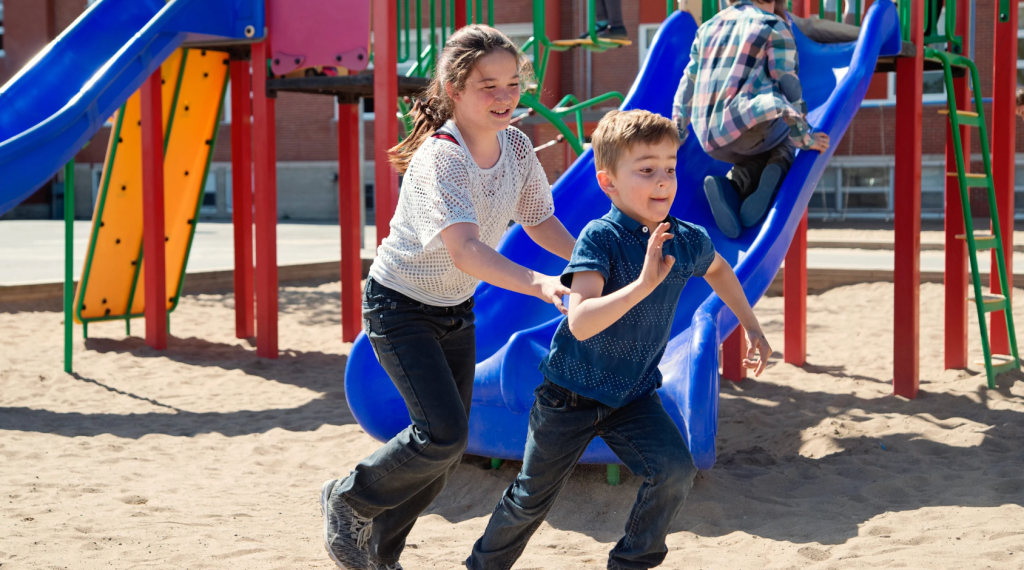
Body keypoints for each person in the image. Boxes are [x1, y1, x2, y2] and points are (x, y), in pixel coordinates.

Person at [465, 109, 773, 570]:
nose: (663, 180)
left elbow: (720, 270)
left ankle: (630, 563)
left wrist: (751, 326)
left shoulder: (684, 239)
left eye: (669, 167)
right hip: (569, 396)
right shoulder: (600, 238)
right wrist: (643, 285)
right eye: (646, 170)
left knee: (673, 471)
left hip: (632, 395)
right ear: (608, 183)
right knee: (532, 497)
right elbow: (581, 322)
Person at [319, 25, 577, 570]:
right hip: (399, 306)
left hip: (455, 311)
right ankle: (348, 497)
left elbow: (540, 219)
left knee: (446, 453)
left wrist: (586, 264)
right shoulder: (443, 158)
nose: (505, 96)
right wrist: (539, 283)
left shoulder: (516, 146)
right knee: (439, 436)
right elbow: (465, 250)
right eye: (489, 85)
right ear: (455, 89)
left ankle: (380, 555)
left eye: (512, 83)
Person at [673, 0, 831, 239]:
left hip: (709, 138)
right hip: (750, 126)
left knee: (753, 151)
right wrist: (804, 136)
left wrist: (678, 128)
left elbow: (688, 81)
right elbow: (787, 81)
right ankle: (776, 169)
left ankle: (735, 187)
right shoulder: (772, 24)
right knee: (783, 133)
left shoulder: (707, 28)